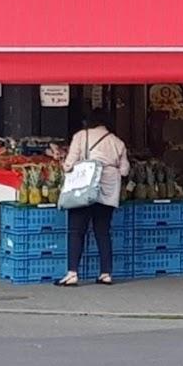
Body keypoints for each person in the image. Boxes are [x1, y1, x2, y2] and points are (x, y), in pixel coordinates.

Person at [55, 110, 130, 287]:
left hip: (84, 189)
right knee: (103, 232)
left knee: (76, 231)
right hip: (108, 192)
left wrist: (62, 165)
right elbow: (125, 170)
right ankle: (106, 273)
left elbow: (69, 164)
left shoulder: (81, 136)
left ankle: (72, 273)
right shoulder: (118, 142)